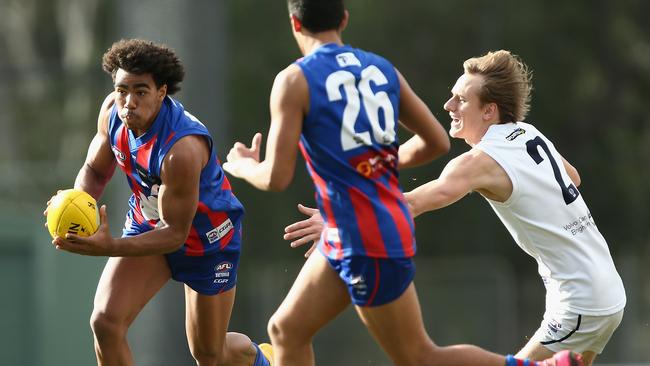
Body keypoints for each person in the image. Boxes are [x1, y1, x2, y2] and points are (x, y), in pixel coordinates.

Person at [222, 1, 582, 365]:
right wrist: (376, 162)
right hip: (349, 230)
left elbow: (276, 176)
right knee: (286, 330)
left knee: (418, 356)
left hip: (365, 235)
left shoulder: (293, 80)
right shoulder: (380, 69)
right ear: (344, 19)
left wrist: (240, 165)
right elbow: (436, 141)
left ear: (295, 24)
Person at [284, 49, 624, 366]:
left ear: (489, 111)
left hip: (580, 299)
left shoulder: (478, 162)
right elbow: (573, 178)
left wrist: (337, 220)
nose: (448, 105)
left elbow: (411, 203)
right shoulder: (528, 133)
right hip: (604, 289)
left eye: (461, 100)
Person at [43, 39, 273, 366]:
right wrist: (76, 202)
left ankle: (262, 358)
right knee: (105, 322)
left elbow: (176, 235)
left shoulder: (182, 149)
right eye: (123, 90)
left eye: (141, 91)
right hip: (149, 222)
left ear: (162, 92)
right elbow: (94, 171)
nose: (129, 102)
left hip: (206, 241)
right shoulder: (111, 112)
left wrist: (108, 246)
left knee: (210, 355)